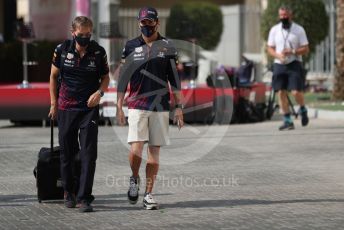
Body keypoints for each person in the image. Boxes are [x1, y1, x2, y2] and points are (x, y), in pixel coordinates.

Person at [116, 6, 184, 210]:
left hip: (161, 106)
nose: (146, 25)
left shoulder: (167, 47)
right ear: (139, 23)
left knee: (154, 153)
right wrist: (119, 106)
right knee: (136, 150)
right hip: (137, 105)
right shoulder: (129, 46)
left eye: (150, 22)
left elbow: (175, 80)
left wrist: (179, 107)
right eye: (143, 22)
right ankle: (134, 178)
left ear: (157, 23)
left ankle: (149, 194)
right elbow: (123, 79)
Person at [48, 16, 109, 212]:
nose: (85, 38)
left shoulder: (98, 51)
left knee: (89, 154)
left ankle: (84, 197)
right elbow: (53, 76)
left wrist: (99, 93)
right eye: (81, 35)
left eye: (88, 34)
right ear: (73, 32)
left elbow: (106, 77)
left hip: (88, 110)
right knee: (67, 152)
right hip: (65, 108)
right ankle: (69, 192)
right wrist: (53, 104)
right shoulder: (61, 50)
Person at [267, 6, 309, 130]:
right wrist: (277, 55)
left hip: (294, 63)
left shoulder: (299, 30)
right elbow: (269, 48)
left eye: (285, 15)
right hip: (279, 64)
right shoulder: (274, 30)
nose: (283, 18)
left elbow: (306, 49)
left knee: (296, 92)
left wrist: (293, 51)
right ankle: (287, 120)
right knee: (281, 92)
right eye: (281, 15)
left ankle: (302, 109)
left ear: (291, 15)